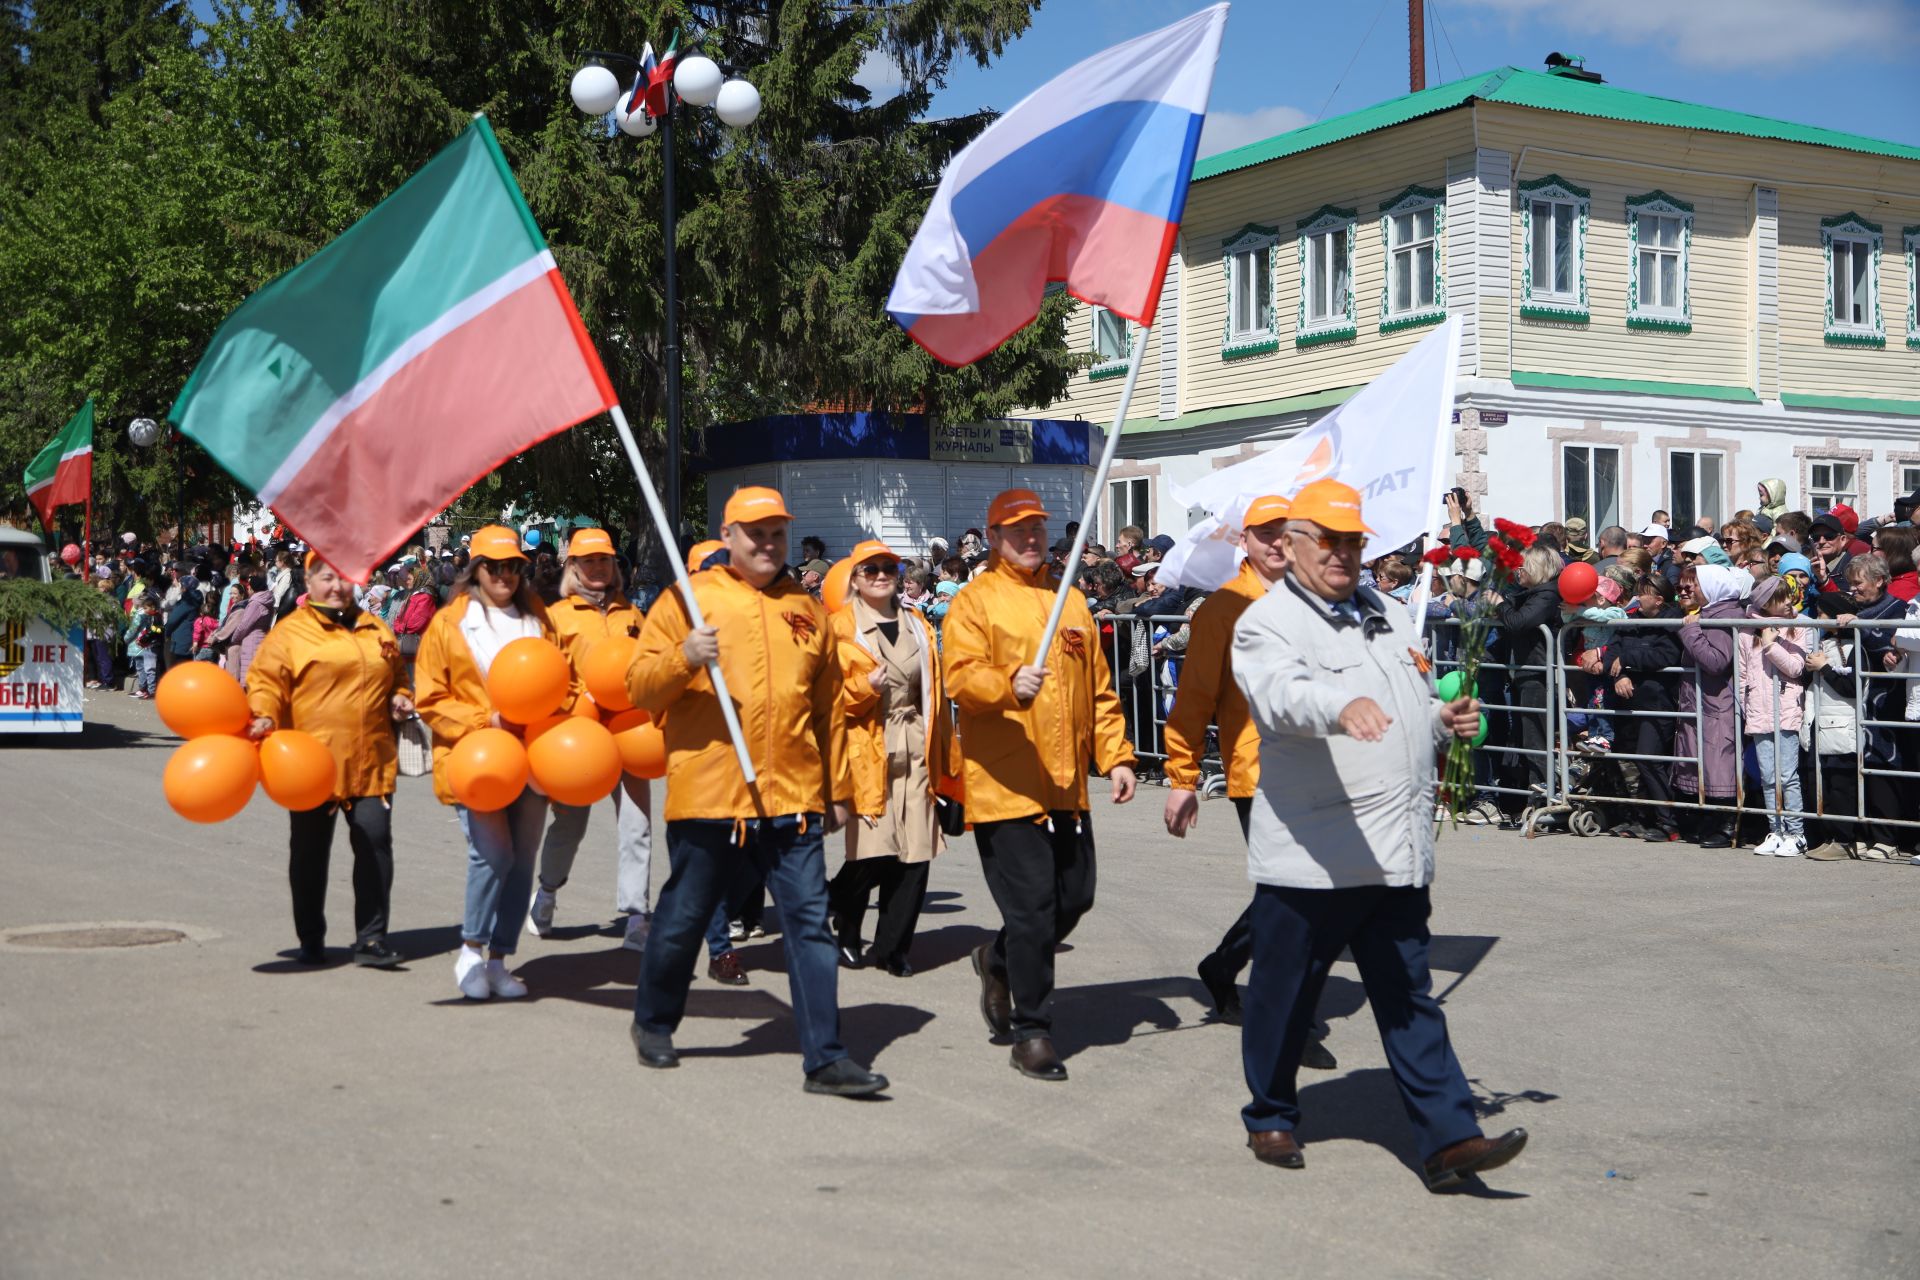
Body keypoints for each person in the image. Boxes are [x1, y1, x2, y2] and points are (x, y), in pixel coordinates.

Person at [1230, 478, 1526, 1189]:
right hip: (1315, 857)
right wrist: (1339, 706)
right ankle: (1271, 1112)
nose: (1342, 554)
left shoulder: (1391, 614)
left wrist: (1439, 721)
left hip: (1395, 850)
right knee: (1283, 993)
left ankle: (1450, 1136)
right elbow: (1280, 698)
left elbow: (1410, 707)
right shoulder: (1266, 622)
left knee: (1408, 995)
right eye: (1328, 541)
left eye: (1354, 542)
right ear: (1294, 545)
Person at [625, 486, 888, 1097]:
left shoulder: (806, 608)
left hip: (792, 800)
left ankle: (825, 1056)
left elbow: (828, 711)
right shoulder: (688, 600)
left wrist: (838, 790)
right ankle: (654, 1021)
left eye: (776, 533)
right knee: (684, 916)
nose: (767, 544)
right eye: (755, 533)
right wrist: (685, 656)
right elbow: (640, 687)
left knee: (809, 926)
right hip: (712, 797)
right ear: (729, 535)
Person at [943, 489, 1136, 1083]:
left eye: (1037, 529)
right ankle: (1032, 1030)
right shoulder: (974, 602)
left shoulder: (1071, 603)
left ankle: (997, 959)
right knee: (1032, 910)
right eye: (1016, 529)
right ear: (994, 535)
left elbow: (1100, 692)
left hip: (1064, 784)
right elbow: (959, 677)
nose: (1030, 538)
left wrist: (1118, 756)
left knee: (1075, 898)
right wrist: (1005, 683)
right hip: (1004, 784)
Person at [1161, 495, 1342, 1070]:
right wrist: (1182, 776)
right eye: (1264, 534)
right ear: (1245, 541)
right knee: (1297, 896)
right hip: (1259, 772)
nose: (1275, 543)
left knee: (1301, 894)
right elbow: (1194, 700)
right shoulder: (1223, 608)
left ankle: (1223, 967)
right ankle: (1285, 1014)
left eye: (1285, 534)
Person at [416, 525, 569, 1001]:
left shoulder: (538, 616)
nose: (504, 575)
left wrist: (560, 711)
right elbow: (430, 697)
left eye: (513, 566)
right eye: (494, 566)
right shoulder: (450, 623)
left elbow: (566, 673)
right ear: (475, 570)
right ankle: (470, 949)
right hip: (478, 756)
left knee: (522, 862)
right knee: (493, 854)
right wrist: (486, 719)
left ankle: (500, 959)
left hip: (534, 755)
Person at [244, 552, 414, 967]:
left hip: (370, 761)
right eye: (326, 577)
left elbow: (397, 677)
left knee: (375, 845)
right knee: (308, 853)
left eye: (343, 578)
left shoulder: (375, 627)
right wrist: (264, 712)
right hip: (310, 765)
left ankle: (371, 939)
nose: (336, 586)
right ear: (309, 581)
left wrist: (401, 698)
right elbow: (266, 680)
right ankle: (311, 938)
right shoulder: (291, 633)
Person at [826, 539, 959, 977]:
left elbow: (935, 694)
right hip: (868, 745)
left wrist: (948, 761)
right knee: (873, 851)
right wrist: (866, 689)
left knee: (915, 853)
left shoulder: (917, 622)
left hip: (916, 742)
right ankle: (844, 921)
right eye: (870, 569)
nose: (881, 575)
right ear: (855, 579)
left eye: (889, 567)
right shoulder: (840, 627)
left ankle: (893, 947)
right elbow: (824, 699)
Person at [529, 528, 654, 950]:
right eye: (589, 561)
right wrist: (578, 698)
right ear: (574, 567)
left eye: (604, 560)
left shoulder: (632, 615)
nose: (598, 567)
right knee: (570, 823)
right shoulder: (558, 617)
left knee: (637, 824)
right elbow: (546, 676)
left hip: (631, 731)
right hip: (578, 734)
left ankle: (637, 915)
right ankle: (546, 893)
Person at [1738, 577, 1814, 857]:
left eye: (1788, 596)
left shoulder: (1798, 626)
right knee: (1769, 776)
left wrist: (1771, 645)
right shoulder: (1747, 631)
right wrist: (1748, 703)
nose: (1787, 602)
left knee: (1787, 775)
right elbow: (1742, 674)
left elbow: (1796, 668)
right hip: (1759, 710)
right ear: (1765, 603)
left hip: (1786, 708)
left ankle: (1797, 834)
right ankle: (1776, 830)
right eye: (1780, 598)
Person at [1671, 565, 1746, 847]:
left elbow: (1716, 661)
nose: (1690, 592)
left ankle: (1725, 827)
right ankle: (1704, 824)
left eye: (1696, 586)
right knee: (1701, 761)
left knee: (1720, 763)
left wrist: (1691, 632)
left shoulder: (1724, 616)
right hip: (1700, 700)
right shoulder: (1707, 614)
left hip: (1718, 702)